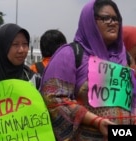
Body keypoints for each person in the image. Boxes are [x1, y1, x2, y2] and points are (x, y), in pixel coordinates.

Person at [40, 0, 136, 141]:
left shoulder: (124, 57)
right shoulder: (70, 54)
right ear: (90, 21)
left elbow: (132, 97)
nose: (112, 22)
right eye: (105, 18)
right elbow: (52, 99)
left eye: (116, 19)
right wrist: (96, 121)